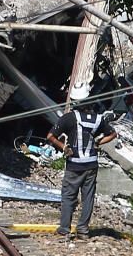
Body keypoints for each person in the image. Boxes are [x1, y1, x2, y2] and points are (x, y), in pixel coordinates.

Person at [46, 94, 118, 238]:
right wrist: (97, 143)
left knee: (68, 196)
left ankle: (65, 229)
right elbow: (113, 134)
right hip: (91, 164)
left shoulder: (69, 118)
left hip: (74, 164)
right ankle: (83, 230)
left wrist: (63, 147)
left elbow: (50, 136)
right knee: (88, 197)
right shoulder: (99, 119)